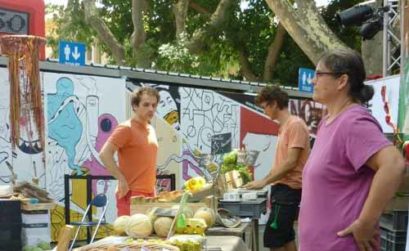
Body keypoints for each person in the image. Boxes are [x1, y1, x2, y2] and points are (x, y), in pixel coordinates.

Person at [298, 49, 405, 251]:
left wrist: (365, 222)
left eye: (319, 75)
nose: (313, 81)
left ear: (341, 81)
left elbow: (394, 164)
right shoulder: (328, 122)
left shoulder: (353, 122)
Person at [243, 85, 310, 251]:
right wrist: (263, 180)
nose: (264, 111)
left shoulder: (295, 125)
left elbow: (291, 162)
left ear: (274, 104)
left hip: (289, 190)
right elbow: (282, 162)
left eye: (265, 107)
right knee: (286, 236)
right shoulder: (285, 126)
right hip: (283, 189)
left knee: (273, 239)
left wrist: (264, 181)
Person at [99, 86, 160, 216]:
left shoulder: (151, 129)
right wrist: (121, 179)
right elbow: (104, 154)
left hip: (150, 194)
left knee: (150, 236)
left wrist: (152, 189)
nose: (151, 109)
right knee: (131, 235)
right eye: (146, 104)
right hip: (132, 194)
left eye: (154, 105)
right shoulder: (126, 128)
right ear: (135, 106)